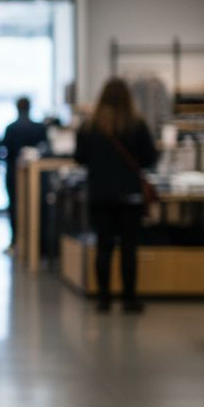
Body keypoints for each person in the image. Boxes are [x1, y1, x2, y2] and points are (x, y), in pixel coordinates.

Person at [74, 78, 157, 313]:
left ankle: (103, 299)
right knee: (129, 248)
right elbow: (150, 157)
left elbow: (79, 157)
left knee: (104, 247)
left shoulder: (90, 126)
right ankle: (129, 299)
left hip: (100, 194)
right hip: (130, 195)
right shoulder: (137, 124)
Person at [1, 96, 49, 252]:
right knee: (37, 208)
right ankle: (37, 244)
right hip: (37, 177)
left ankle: (16, 241)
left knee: (15, 207)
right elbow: (46, 149)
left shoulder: (11, 128)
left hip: (14, 174)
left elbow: (4, 151)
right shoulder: (40, 127)